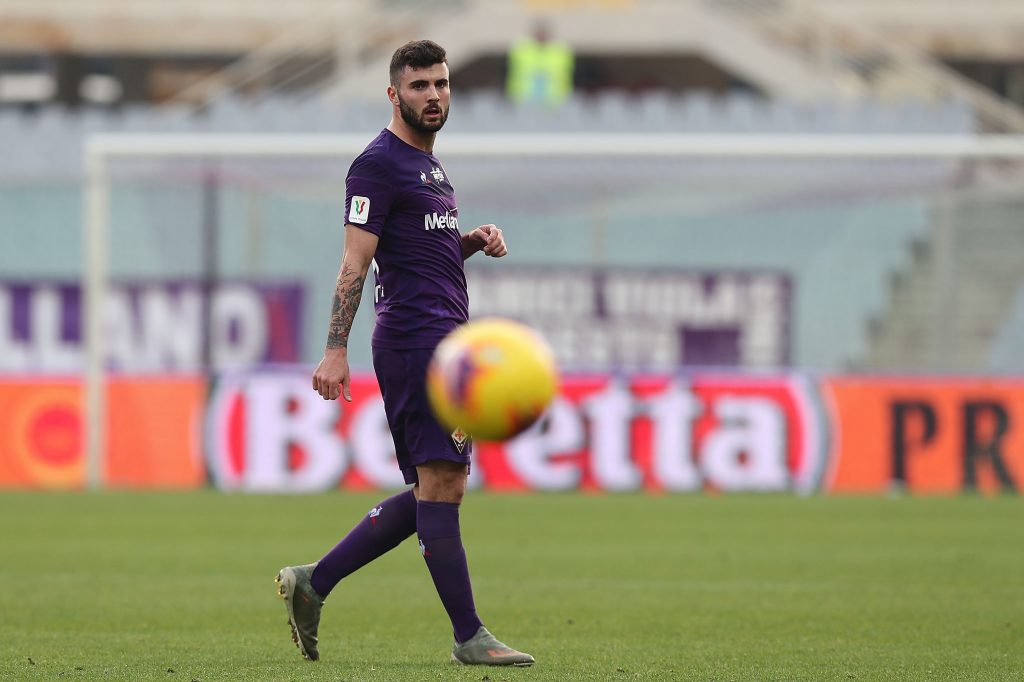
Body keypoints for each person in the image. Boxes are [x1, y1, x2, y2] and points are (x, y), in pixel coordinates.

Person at [274, 40, 534, 668]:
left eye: (441, 84)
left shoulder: (433, 169)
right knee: (442, 484)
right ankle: (469, 637)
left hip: (445, 344)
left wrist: (465, 242)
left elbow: (415, 256)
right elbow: (355, 263)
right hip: (415, 342)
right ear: (394, 94)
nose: (434, 96)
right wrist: (334, 350)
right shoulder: (377, 165)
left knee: (434, 485)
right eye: (419, 86)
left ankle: (314, 582)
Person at [506, 19, 574, 107]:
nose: (542, 35)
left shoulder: (561, 51)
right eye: (540, 32)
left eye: (544, 33)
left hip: (555, 102)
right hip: (523, 100)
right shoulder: (521, 50)